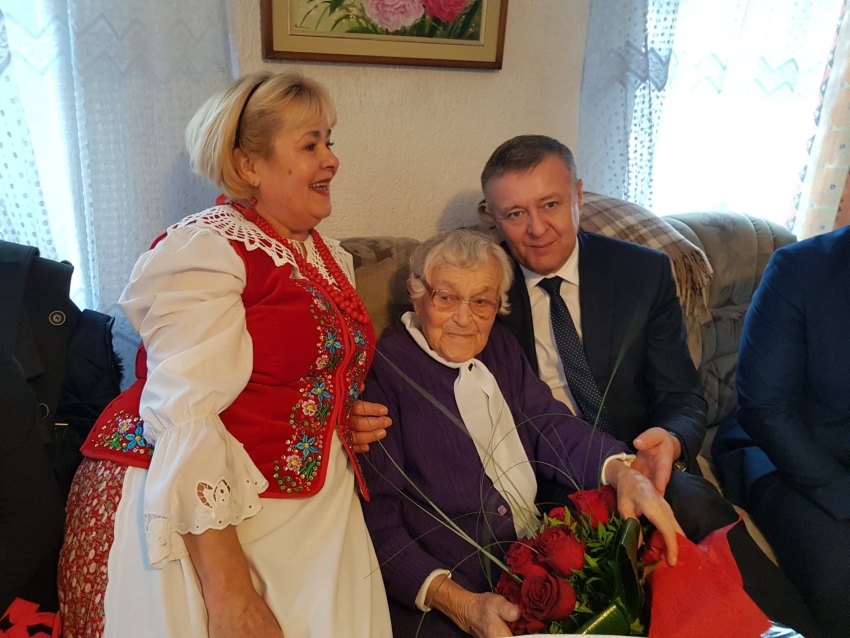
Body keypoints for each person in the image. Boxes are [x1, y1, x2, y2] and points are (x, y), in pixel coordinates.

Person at [57, 72, 391, 638]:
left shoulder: (325, 254)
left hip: (310, 509)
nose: (331, 160)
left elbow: (302, 375)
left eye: (329, 141)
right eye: (309, 145)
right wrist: (231, 593)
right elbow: (184, 413)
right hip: (200, 519)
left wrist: (337, 413)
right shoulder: (205, 249)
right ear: (248, 164)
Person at [480, 134, 822, 636]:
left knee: (695, 505)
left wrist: (672, 441)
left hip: (645, 461)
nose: (536, 228)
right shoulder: (481, 290)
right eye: (515, 214)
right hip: (545, 477)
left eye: (550, 204)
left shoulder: (641, 272)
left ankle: (789, 629)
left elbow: (681, 395)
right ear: (492, 216)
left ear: (577, 195)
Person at [361, 229, 683, 638]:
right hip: (450, 600)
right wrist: (460, 603)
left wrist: (623, 472)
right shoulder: (383, 373)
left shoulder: (499, 346)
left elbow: (547, 422)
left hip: (538, 573)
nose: (464, 318)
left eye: (481, 302)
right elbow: (379, 523)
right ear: (416, 292)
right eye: (446, 297)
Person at [713, 225, 850, 636]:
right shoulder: (800, 268)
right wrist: (842, 495)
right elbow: (766, 409)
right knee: (841, 578)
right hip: (786, 455)